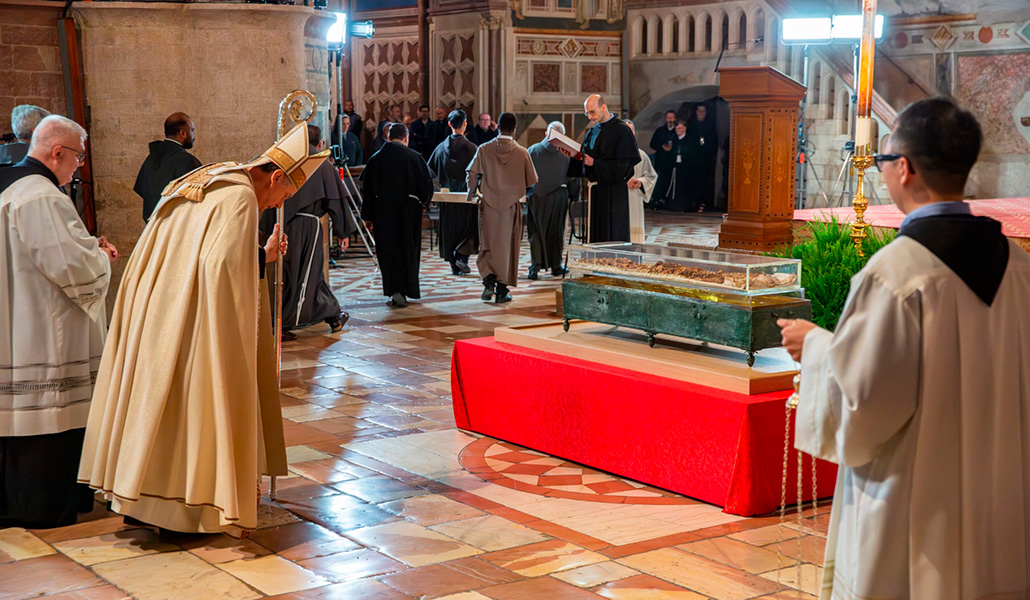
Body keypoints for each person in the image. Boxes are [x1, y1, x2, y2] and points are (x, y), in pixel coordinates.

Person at [778, 97, 1030, 600]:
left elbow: (866, 406)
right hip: (1001, 500)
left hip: (914, 509)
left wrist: (817, 347)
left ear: (905, 168)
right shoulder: (1020, 268)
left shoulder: (897, 275)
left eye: (883, 161)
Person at [78, 122, 325, 534]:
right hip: (188, 315)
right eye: (282, 195)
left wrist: (258, 256)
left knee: (156, 400)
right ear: (277, 175)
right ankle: (183, 511)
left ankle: (139, 499)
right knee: (191, 403)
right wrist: (256, 270)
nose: (274, 204)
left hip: (156, 303)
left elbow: (199, 253)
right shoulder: (242, 196)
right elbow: (218, 269)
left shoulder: (215, 174)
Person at [0, 115, 117, 529]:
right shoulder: (42, 196)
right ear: (57, 152)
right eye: (78, 157)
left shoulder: (12, 187)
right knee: (49, 419)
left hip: (16, 325)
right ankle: (45, 507)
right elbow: (70, 265)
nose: (78, 166)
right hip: (43, 335)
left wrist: (86, 245)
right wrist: (101, 256)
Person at [261, 124, 356, 339]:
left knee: (303, 274)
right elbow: (336, 198)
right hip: (307, 228)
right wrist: (343, 231)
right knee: (303, 276)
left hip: (281, 225)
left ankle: (333, 315)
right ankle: (283, 325)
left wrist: (265, 229)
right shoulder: (319, 163)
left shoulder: (285, 161)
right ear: (320, 143)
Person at [360, 123, 434, 308]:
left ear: (387, 136)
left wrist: (368, 216)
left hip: (383, 213)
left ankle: (394, 290)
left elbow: (367, 191)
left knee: (388, 251)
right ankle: (407, 289)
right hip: (409, 212)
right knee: (408, 250)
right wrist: (422, 204)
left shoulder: (375, 159)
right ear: (406, 138)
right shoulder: (415, 158)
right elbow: (427, 188)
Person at [467, 112, 538, 304]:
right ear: (514, 129)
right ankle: (501, 291)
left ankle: (488, 281)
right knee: (508, 247)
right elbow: (532, 182)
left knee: (488, 243)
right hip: (510, 208)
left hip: (488, 205)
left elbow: (472, 173)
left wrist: (471, 193)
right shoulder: (522, 152)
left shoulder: (484, 149)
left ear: (497, 126)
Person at [565, 94, 639, 243]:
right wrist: (573, 156)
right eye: (587, 113)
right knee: (595, 235)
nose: (589, 117)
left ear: (603, 107)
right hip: (595, 193)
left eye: (592, 112)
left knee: (611, 236)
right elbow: (585, 161)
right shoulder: (592, 131)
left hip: (614, 195)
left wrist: (596, 164)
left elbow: (625, 166)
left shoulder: (621, 130)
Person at [428, 109, 479, 276]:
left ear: (449, 124)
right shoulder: (472, 148)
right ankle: (462, 258)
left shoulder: (440, 148)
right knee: (470, 229)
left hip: (446, 198)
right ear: (465, 124)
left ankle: (454, 263)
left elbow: (429, 171)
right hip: (467, 197)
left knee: (449, 231)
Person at [134, 112, 202, 222]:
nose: (193, 136)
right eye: (192, 131)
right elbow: (198, 199)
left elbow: (142, 189)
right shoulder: (187, 161)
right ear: (182, 133)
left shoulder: (152, 158)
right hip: (176, 228)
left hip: (153, 226)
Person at [526, 121, 572, 279]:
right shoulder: (567, 154)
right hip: (559, 197)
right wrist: (573, 197)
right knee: (556, 232)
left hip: (536, 196)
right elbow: (573, 179)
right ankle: (556, 266)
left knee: (536, 232)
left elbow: (524, 174)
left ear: (547, 133)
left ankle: (535, 267)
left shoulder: (532, 150)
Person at [624, 120, 657, 244]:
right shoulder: (612, 155)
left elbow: (651, 176)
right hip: (618, 197)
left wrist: (640, 182)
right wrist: (624, 184)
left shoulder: (641, 155)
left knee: (634, 237)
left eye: (631, 131)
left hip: (635, 197)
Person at [685, 104, 717, 213]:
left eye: (704, 111)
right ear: (696, 112)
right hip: (694, 158)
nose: (702, 113)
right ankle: (694, 204)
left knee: (706, 182)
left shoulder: (710, 124)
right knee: (694, 181)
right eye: (700, 111)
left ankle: (704, 203)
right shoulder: (692, 124)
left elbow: (714, 140)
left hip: (706, 157)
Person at [653, 120, 690, 212]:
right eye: (677, 128)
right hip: (673, 167)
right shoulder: (673, 140)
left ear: (685, 128)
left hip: (685, 167)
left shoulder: (689, 140)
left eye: (680, 128)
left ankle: (683, 206)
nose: (678, 130)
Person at [648, 110, 677, 208]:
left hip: (672, 161)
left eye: (671, 117)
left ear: (675, 118)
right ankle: (658, 200)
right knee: (660, 182)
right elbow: (652, 144)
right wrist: (662, 146)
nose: (670, 120)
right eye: (668, 118)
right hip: (661, 161)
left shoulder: (677, 130)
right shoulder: (660, 131)